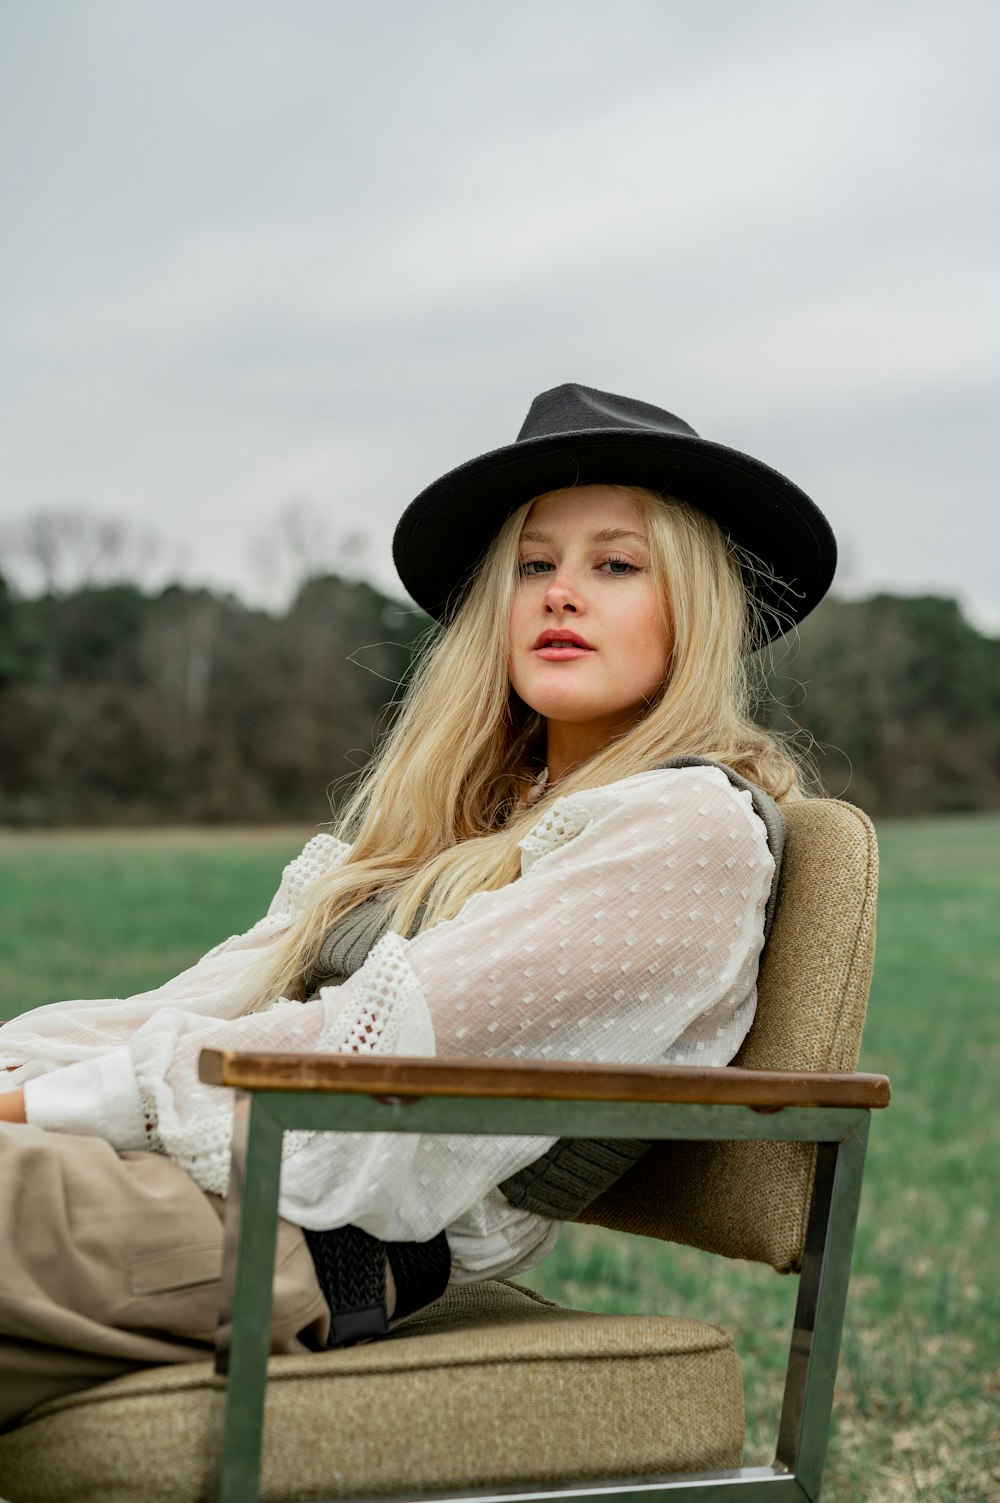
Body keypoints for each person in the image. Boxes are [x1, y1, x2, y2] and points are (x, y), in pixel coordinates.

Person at [0, 383, 836, 1424]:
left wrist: (42, 1108)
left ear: (696, 607)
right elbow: (214, 998)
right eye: (533, 565)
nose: (559, 594)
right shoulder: (455, 822)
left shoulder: (686, 830)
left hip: (310, 1235)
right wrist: (22, 1069)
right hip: (212, 1182)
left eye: (615, 565)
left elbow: (383, 1051)